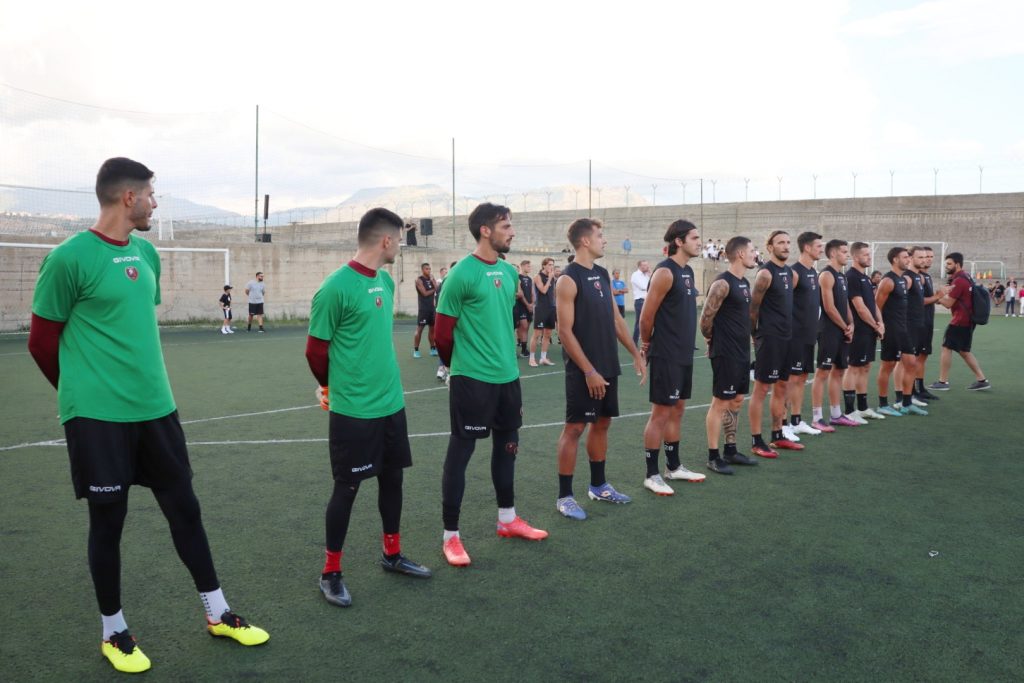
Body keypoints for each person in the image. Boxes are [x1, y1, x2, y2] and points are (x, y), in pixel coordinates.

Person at [27, 158, 268, 674]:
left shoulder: (145, 253)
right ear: (126, 198)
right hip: (97, 418)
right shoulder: (68, 259)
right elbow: (41, 342)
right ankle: (114, 631)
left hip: (157, 409)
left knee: (186, 509)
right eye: (151, 195)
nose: (155, 203)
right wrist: (82, 400)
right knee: (108, 522)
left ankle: (218, 612)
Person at [306, 207, 432, 608]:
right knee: (347, 488)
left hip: (391, 403)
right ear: (385, 241)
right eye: (399, 238)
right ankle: (330, 572)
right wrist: (328, 386)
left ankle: (392, 555)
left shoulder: (385, 281)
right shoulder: (334, 288)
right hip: (354, 410)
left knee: (392, 480)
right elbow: (315, 350)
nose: (401, 245)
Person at [435, 203, 547, 567]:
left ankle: (507, 519)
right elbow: (442, 334)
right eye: (506, 226)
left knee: (508, 446)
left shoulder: (509, 273)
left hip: (507, 378)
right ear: (485, 230)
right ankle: (451, 537)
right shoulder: (461, 275)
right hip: (472, 380)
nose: (512, 232)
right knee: (462, 453)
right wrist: (460, 369)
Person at [554, 218, 646, 518]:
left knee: (603, 423)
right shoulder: (568, 279)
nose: (604, 240)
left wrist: (635, 353)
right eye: (600, 236)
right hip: (584, 370)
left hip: (607, 364)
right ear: (584, 241)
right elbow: (565, 332)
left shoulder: (603, 274)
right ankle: (565, 496)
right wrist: (588, 371)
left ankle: (598, 486)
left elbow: (616, 320)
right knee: (575, 427)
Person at [637, 220, 709, 494]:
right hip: (666, 352)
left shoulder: (687, 271)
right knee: (660, 413)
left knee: (677, 409)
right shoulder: (665, 272)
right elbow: (646, 316)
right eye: (694, 237)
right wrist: (646, 343)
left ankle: (674, 466)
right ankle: (651, 474)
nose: (698, 241)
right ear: (678, 241)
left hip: (683, 352)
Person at [701, 236, 759, 475]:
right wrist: (711, 340)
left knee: (736, 400)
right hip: (725, 351)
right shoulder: (722, 283)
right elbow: (705, 318)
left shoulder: (744, 282)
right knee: (720, 402)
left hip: (742, 350)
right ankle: (713, 456)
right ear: (740, 255)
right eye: (753, 250)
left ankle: (731, 450)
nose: (755, 254)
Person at [748, 230, 801, 456]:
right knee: (761, 389)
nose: (786, 246)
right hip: (769, 338)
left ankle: (777, 435)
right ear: (769, 247)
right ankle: (756, 440)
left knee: (782, 386)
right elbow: (753, 309)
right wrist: (755, 337)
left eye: (788, 242)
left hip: (787, 337)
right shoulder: (765, 274)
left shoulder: (790, 273)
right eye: (781, 242)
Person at [810, 240, 859, 429]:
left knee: (839, 371)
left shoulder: (842, 276)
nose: (847, 255)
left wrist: (851, 324)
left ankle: (837, 414)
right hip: (828, 330)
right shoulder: (826, 275)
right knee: (823, 372)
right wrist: (844, 326)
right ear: (832, 254)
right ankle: (816, 418)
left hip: (842, 329)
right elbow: (829, 307)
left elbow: (845, 304)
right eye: (844, 252)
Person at [928, 252, 991, 391]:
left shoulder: (959, 280)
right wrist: (939, 298)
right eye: (946, 264)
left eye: (949, 264)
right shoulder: (965, 276)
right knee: (964, 351)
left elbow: (948, 303)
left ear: (957, 264)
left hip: (960, 320)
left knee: (946, 347)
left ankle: (943, 382)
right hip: (967, 320)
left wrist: (936, 297)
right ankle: (982, 380)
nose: (946, 267)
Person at [875, 247, 926, 416]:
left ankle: (906, 402)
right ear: (895, 260)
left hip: (903, 329)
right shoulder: (888, 281)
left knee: (911, 364)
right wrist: (879, 326)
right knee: (887, 366)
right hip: (891, 330)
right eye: (905, 257)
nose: (908, 259)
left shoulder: (903, 280)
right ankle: (882, 403)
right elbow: (877, 306)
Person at [785, 232, 824, 438]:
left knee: (802, 377)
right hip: (794, 335)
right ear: (807, 248)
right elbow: (783, 303)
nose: (821, 249)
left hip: (809, 334)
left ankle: (796, 420)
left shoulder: (813, 273)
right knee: (790, 379)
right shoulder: (794, 272)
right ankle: (782, 425)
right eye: (818, 246)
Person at [844, 242, 887, 421]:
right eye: (865, 255)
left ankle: (862, 407)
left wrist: (881, 322)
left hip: (869, 329)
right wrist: (875, 325)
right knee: (854, 367)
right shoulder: (852, 277)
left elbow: (873, 304)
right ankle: (849, 411)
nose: (869, 257)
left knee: (866, 367)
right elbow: (860, 308)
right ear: (855, 257)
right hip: (859, 330)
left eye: (869, 254)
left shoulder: (866, 278)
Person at [911, 247, 947, 402]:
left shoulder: (926, 276)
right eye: (924, 256)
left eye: (931, 256)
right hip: (918, 322)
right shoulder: (915, 277)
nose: (928, 259)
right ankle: (911, 390)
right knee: (914, 357)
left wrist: (943, 299)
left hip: (927, 320)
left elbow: (930, 298)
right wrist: (938, 296)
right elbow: (920, 301)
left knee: (923, 355)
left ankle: (920, 387)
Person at [529, 257, 557, 366]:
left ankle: (543, 358)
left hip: (551, 307)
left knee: (548, 334)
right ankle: (532, 359)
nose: (551, 267)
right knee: (536, 334)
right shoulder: (537, 277)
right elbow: (543, 291)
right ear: (544, 265)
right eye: (549, 265)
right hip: (541, 308)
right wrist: (550, 278)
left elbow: (553, 292)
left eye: (552, 265)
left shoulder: (552, 278)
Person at [413, 262, 438, 358]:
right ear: (423, 270)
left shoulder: (431, 278)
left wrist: (433, 281)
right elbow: (424, 293)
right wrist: (435, 289)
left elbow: (438, 288)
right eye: (427, 269)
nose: (429, 270)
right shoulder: (419, 280)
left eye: (430, 269)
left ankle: (432, 349)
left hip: (432, 308)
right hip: (423, 309)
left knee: (432, 329)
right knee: (420, 329)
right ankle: (416, 350)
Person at [514, 260, 534, 357]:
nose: (529, 268)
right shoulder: (518, 278)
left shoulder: (530, 279)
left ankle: (524, 349)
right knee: (523, 327)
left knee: (526, 328)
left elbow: (532, 292)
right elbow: (520, 294)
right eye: (527, 266)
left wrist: (532, 304)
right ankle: (522, 349)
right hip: (521, 306)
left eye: (530, 266)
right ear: (522, 266)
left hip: (529, 306)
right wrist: (527, 304)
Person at [630, 260, 651, 345]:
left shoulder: (647, 275)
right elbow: (645, 287)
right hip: (640, 302)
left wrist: (650, 275)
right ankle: (634, 343)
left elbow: (653, 284)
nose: (647, 267)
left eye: (647, 265)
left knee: (650, 322)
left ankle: (647, 341)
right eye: (645, 265)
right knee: (639, 323)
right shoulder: (635, 275)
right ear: (640, 266)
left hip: (648, 301)